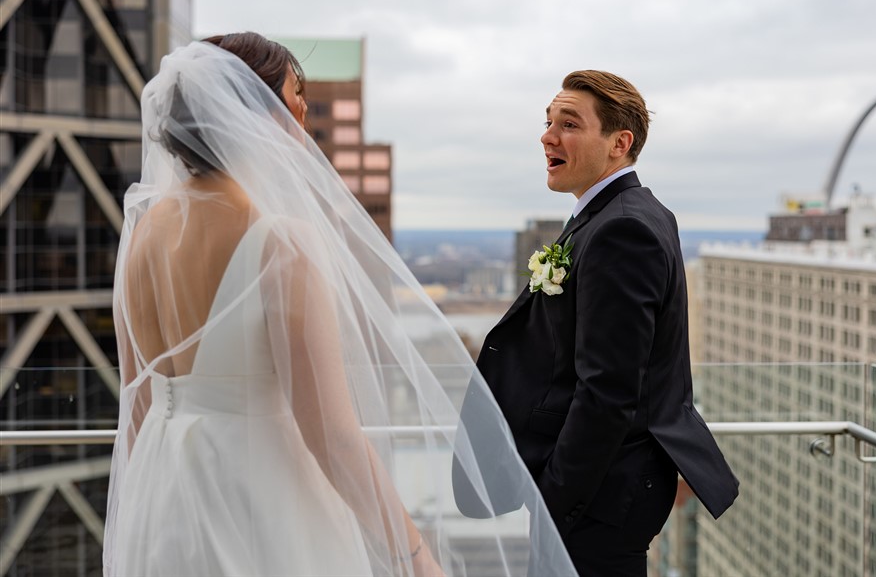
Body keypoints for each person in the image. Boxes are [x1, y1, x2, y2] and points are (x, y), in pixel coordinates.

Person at [103, 34, 577, 577]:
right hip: (257, 498)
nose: (303, 107)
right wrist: (414, 556)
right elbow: (330, 432)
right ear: (252, 108)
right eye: (293, 91)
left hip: (161, 495)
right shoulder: (280, 241)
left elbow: (138, 403)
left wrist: (139, 508)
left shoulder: (145, 231)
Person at [466, 71, 740, 577]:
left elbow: (609, 392)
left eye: (569, 124)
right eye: (548, 122)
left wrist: (553, 499)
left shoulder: (622, 229)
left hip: (599, 495)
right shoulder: (624, 213)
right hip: (603, 487)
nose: (548, 136)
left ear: (619, 143)